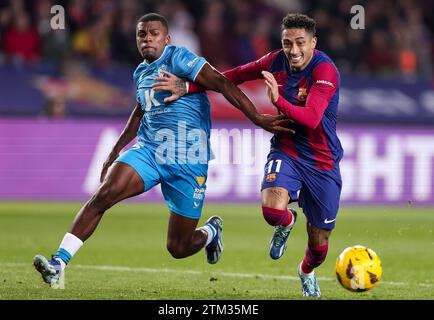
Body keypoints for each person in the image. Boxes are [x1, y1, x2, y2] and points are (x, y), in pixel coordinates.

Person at [33, 13, 294, 288]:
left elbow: (222, 83)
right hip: (151, 152)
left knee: (178, 247)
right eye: (141, 34)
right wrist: (116, 149)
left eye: (153, 33)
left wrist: (256, 118)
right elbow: (139, 111)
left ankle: (210, 232)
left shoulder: (180, 58)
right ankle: (58, 263)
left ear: (166, 38)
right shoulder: (141, 72)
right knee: (104, 195)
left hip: (189, 160)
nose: (147, 38)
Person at [152, 13, 343, 298]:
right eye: (287, 43)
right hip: (287, 148)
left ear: (313, 43)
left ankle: (306, 271)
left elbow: (313, 118)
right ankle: (286, 222)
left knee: (318, 245)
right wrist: (188, 86)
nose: (293, 50)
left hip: (322, 160)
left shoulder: (324, 70)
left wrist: (279, 102)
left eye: (300, 43)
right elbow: (233, 76)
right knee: (271, 211)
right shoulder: (275, 61)